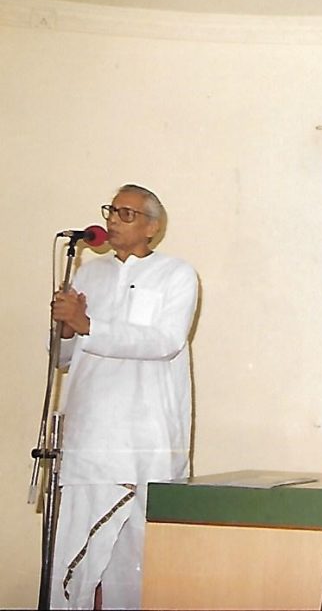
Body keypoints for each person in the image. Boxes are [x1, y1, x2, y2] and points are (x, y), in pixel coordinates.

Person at [49, 184, 199, 609]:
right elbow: (62, 357)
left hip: (145, 436)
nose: (113, 220)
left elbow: (165, 341)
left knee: (136, 564)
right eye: (111, 211)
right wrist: (64, 328)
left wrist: (88, 325)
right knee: (71, 559)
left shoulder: (177, 274)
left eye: (127, 214)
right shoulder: (87, 275)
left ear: (153, 227)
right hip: (90, 435)